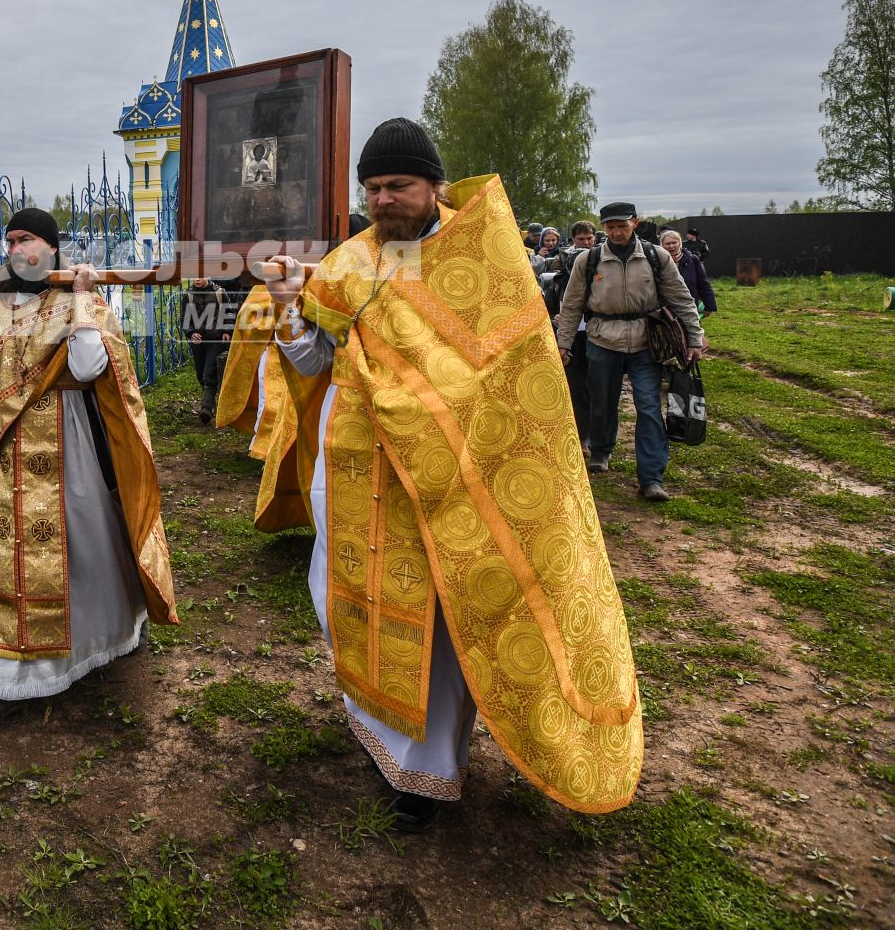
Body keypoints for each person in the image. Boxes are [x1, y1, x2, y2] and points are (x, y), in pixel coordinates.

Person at [266, 118, 642, 832]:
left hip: (451, 481)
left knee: (441, 617)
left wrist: (417, 408)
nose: (382, 200)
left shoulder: (485, 258)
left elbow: (508, 380)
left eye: (397, 185)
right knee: (347, 597)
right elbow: (316, 364)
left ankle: (429, 771)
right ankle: (384, 737)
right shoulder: (346, 264)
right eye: (372, 188)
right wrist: (291, 319)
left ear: (435, 184)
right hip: (352, 469)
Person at [0, 208, 178, 729]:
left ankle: (113, 630)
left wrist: (82, 301)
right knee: (17, 549)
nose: (17, 248)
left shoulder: (78, 298)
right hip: (16, 446)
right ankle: (13, 677)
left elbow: (89, 367)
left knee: (85, 540)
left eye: (28, 239)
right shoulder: (2, 301)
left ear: (53, 248)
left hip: (71, 441)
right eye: (10, 240)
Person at [554, 203, 705, 502]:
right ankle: (601, 450)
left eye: (622, 225)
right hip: (602, 339)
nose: (617, 231)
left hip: (645, 342)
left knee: (649, 406)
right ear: (604, 227)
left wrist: (695, 338)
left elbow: (682, 298)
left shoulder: (656, 256)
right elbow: (571, 306)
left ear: (634, 223)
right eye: (610, 227)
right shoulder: (589, 259)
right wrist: (564, 344)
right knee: (601, 400)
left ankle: (651, 477)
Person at [212, 279, 307, 532]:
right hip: (274, 353)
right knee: (270, 408)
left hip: (304, 356)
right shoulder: (261, 288)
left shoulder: (316, 278)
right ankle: (267, 454)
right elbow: (250, 318)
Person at [542, 221, 598, 453]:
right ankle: (582, 435)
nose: (585, 243)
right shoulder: (558, 279)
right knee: (577, 387)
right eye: (581, 239)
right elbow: (550, 307)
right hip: (571, 338)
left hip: (599, 337)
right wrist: (555, 318)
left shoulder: (603, 273)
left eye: (589, 239)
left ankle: (599, 436)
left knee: (599, 387)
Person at [180, 275, 238, 423]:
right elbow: (184, 318)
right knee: (200, 373)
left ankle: (206, 408)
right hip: (198, 341)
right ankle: (210, 403)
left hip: (216, 339)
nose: (197, 279)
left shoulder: (219, 293)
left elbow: (229, 313)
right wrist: (191, 333)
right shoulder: (188, 295)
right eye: (195, 276)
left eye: (201, 276)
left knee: (209, 371)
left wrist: (226, 331)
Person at [659, 229, 716, 319]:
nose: (671, 246)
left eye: (674, 243)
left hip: (689, 306)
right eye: (667, 244)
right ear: (662, 245)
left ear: (680, 243)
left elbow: (703, 283)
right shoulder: (657, 261)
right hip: (664, 308)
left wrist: (709, 305)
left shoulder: (692, 260)